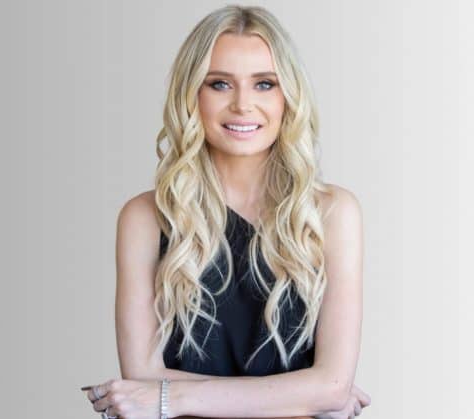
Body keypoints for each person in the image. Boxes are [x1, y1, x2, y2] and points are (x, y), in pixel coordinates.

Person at [83, 5, 370, 419]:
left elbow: (331, 386)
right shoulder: (143, 218)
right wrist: (298, 395)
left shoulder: (332, 213)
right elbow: (143, 378)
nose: (242, 104)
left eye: (264, 84)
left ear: (289, 96)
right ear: (191, 95)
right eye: (219, 84)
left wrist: (174, 397)